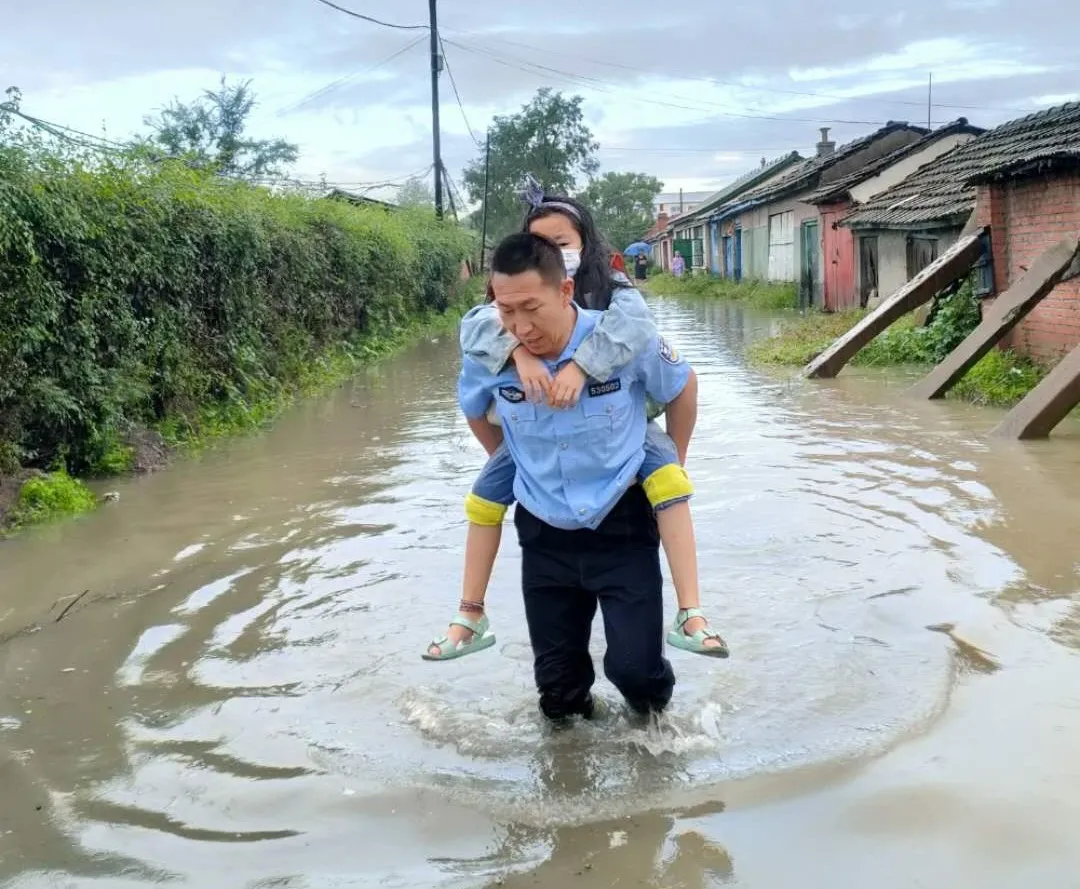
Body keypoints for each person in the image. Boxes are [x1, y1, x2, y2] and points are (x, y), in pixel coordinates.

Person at [423, 190, 725, 661]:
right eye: (539, 242)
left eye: (561, 242)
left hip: (624, 447)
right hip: (541, 489)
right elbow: (475, 356)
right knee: (483, 501)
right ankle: (469, 613)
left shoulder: (618, 299)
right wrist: (519, 362)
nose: (520, 321)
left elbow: (675, 377)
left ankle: (692, 612)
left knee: (669, 482)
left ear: (584, 247)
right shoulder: (504, 309)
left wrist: (582, 368)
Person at [456, 231, 702, 719]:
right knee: (558, 696)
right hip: (544, 536)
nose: (521, 326)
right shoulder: (491, 353)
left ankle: (656, 737)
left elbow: (679, 385)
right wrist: (514, 460)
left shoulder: (620, 341)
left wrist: (673, 461)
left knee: (636, 676)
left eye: (531, 308)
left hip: (622, 526)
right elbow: (474, 407)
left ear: (565, 290)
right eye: (507, 311)